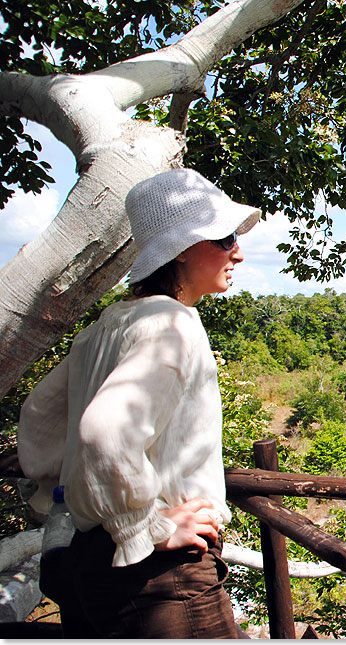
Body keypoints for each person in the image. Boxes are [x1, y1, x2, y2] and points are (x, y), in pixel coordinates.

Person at [17, 168, 261, 638]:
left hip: (91, 561)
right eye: (225, 237)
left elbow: (39, 416)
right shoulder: (173, 323)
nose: (239, 251)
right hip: (158, 577)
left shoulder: (103, 329)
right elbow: (104, 431)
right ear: (184, 249)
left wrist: (78, 495)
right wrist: (145, 525)